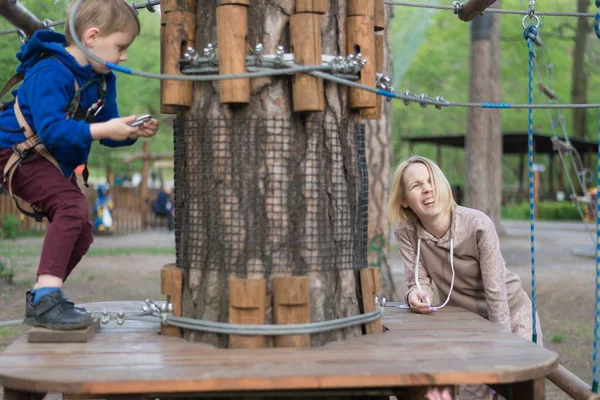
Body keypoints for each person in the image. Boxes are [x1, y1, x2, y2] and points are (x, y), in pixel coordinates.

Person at [0, 0, 159, 330]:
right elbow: (52, 129)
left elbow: (107, 130)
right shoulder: (51, 72)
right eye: (121, 47)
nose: (124, 56)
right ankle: (46, 298)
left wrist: (130, 132)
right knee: (71, 208)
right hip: (14, 150)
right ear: (92, 36)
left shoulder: (102, 80)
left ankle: (45, 295)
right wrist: (103, 129)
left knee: (83, 231)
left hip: (48, 156)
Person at [388, 156, 542, 399]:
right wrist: (416, 295)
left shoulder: (477, 224)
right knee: (472, 395)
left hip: (511, 315)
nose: (428, 188)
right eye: (416, 185)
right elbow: (419, 282)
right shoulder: (406, 232)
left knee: (514, 390)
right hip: (469, 325)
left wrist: (499, 345)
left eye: (432, 181)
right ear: (405, 200)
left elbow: (496, 293)